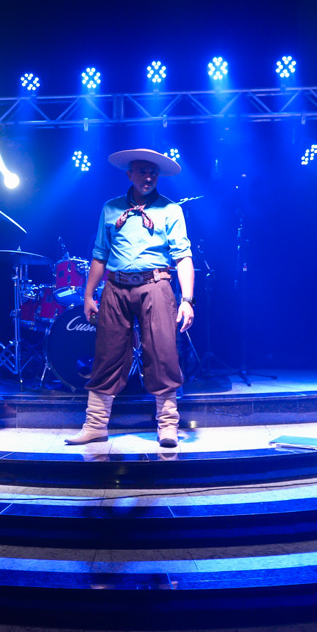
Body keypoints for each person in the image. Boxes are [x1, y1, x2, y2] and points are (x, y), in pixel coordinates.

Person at [65, 149, 195, 448]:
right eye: (142, 171)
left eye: (153, 172)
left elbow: (183, 257)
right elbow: (99, 255)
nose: (148, 177)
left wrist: (187, 299)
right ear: (130, 174)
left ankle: (168, 425)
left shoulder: (170, 209)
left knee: (162, 353)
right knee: (107, 354)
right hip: (116, 287)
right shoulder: (111, 208)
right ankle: (95, 425)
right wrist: (88, 295)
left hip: (156, 285)